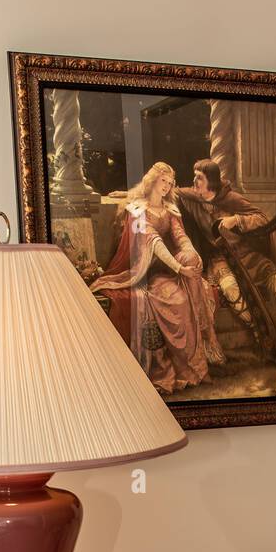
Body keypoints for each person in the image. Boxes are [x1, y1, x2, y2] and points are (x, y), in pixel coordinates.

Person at [90, 161, 224, 395]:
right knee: (181, 302)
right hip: (147, 272)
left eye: (170, 183)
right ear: (153, 180)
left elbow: (180, 237)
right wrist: (179, 269)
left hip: (170, 271)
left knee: (190, 263)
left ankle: (196, 367)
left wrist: (192, 255)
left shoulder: (170, 210)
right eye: (163, 181)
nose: (167, 186)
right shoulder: (138, 212)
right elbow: (153, 241)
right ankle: (189, 367)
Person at [176, 159, 276, 369]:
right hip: (221, 259)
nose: (195, 181)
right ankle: (261, 335)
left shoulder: (231, 198)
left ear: (211, 181)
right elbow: (173, 192)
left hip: (249, 256)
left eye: (199, 178)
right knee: (231, 291)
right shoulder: (193, 199)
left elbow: (262, 218)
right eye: (194, 176)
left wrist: (237, 220)